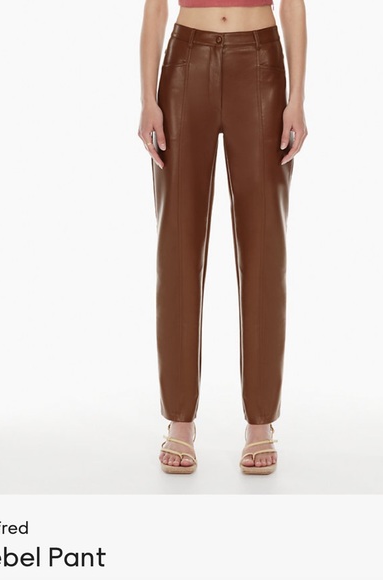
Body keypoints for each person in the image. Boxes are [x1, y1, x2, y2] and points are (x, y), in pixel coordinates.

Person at [138, 0, 307, 474]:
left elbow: (293, 6)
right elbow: (154, 9)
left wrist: (296, 99)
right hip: (185, 65)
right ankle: (179, 422)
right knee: (177, 248)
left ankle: (260, 423)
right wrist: (148, 99)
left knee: (264, 249)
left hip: (260, 64)